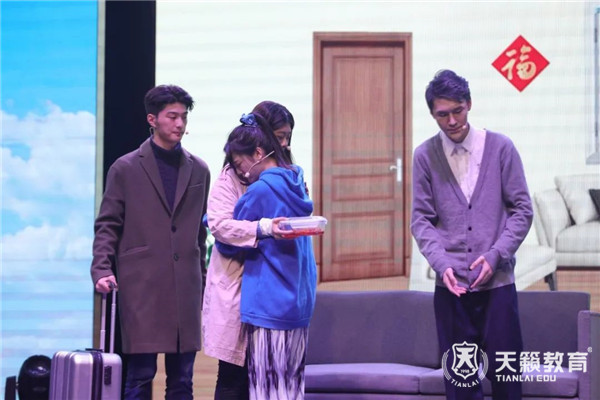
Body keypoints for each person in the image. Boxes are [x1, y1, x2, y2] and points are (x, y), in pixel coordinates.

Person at [410, 70, 533, 400]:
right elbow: (421, 220)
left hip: (498, 285)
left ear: (469, 104)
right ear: (432, 114)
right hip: (452, 289)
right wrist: (441, 264)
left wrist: (496, 255)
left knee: (507, 379)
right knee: (460, 385)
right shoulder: (424, 156)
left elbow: (523, 210)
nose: (452, 121)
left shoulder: (501, 148)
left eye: (458, 111)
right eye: (442, 114)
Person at [90, 84, 210, 400]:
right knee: (140, 376)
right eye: (172, 116)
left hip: (185, 286)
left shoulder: (199, 169)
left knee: (182, 380)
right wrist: (101, 268)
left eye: (183, 117)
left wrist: (204, 281)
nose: (180, 124)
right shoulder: (126, 167)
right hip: (142, 285)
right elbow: (108, 225)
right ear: (152, 119)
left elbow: (199, 234)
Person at [215, 112, 317, 400]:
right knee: (289, 390)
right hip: (298, 303)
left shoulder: (259, 190)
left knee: (264, 391)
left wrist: (212, 222)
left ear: (258, 153)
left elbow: (230, 243)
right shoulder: (297, 183)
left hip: (268, 304)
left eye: (240, 164)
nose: (243, 173)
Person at [201, 101, 297, 399]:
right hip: (237, 287)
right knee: (233, 376)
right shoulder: (229, 179)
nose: (284, 144)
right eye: (279, 137)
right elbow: (219, 224)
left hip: (272, 290)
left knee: (269, 378)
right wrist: (262, 228)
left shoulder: (285, 175)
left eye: (288, 137)